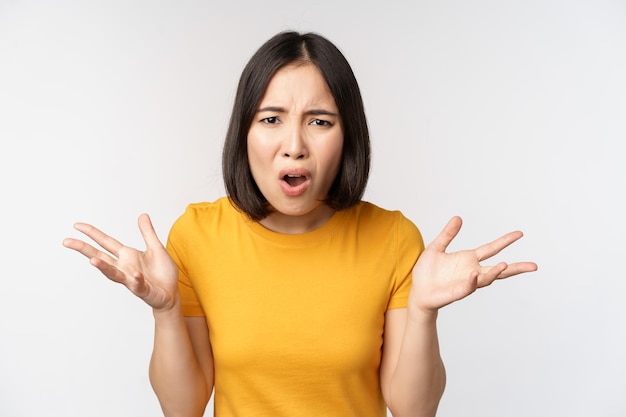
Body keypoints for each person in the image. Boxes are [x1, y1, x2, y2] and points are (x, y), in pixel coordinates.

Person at [63, 31, 537, 417]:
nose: (294, 145)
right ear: (244, 131)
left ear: (347, 135)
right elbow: (182, 407)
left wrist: (423, 313)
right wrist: (165, 311)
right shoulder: (196, 235)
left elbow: (413, 410)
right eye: (271, 119)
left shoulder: (393, 239)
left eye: (320, 121)